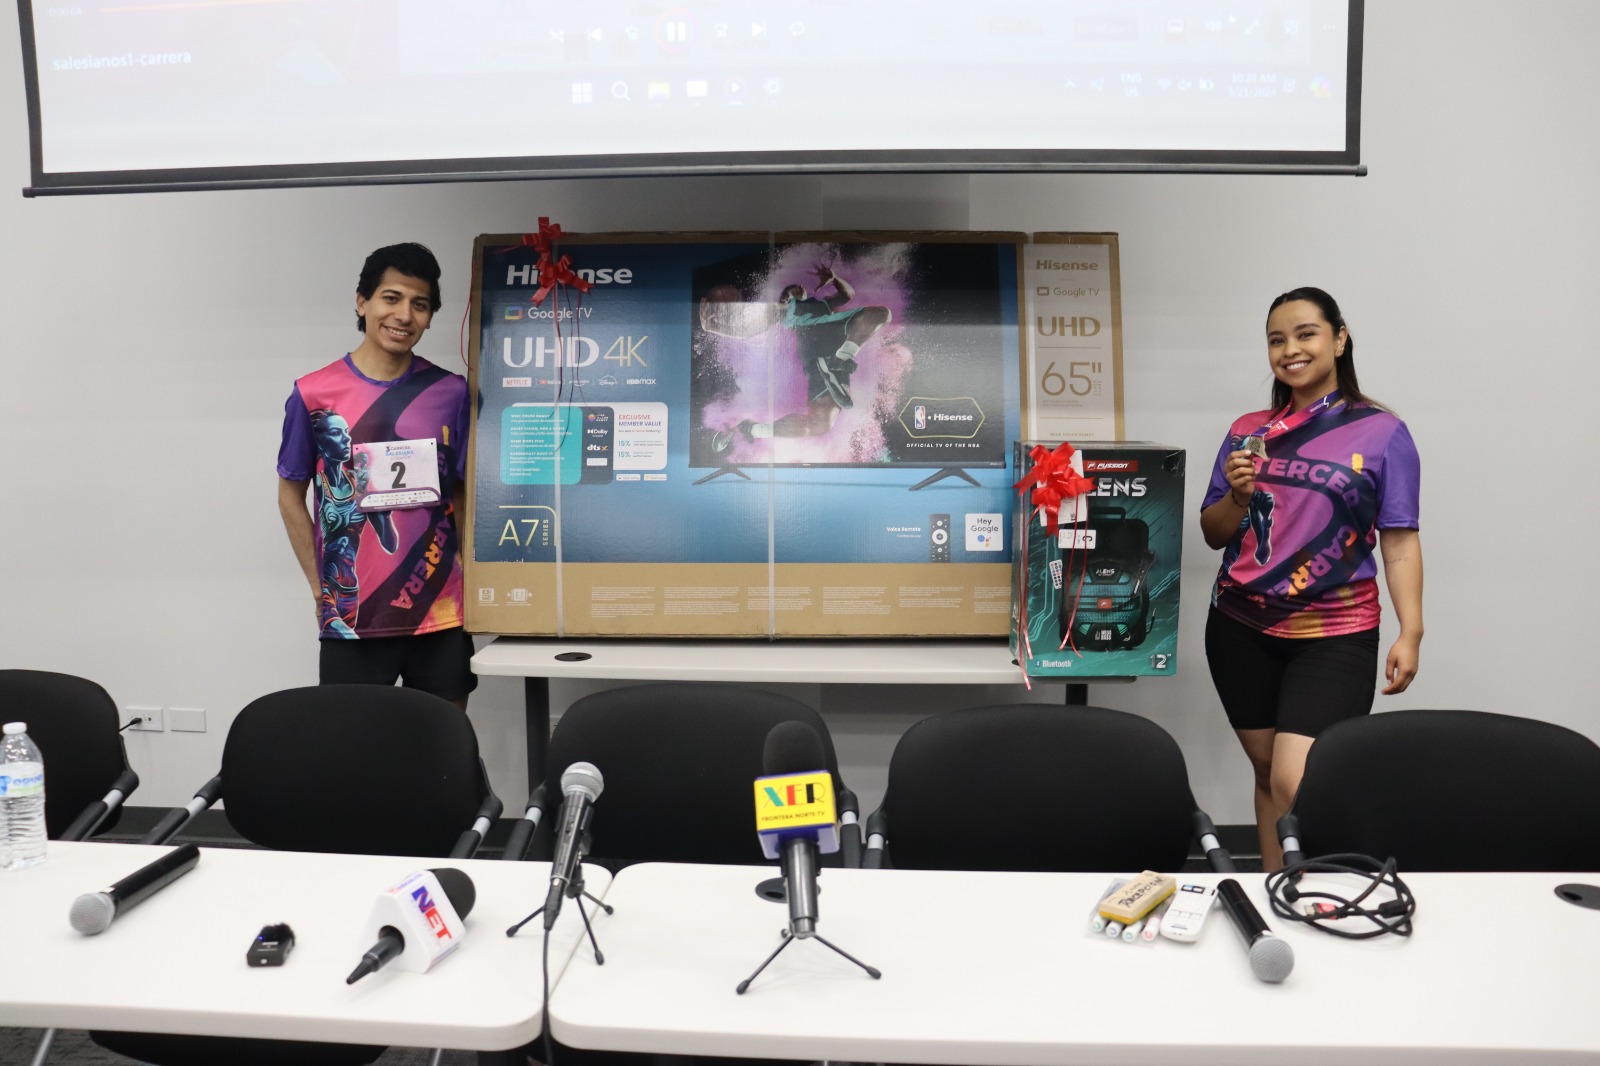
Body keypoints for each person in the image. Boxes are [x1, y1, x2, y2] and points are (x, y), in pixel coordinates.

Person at [1199, 286, 1423, 869]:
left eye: (1306, 334)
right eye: (1277, 340)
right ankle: (1275, 891)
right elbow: (1214, 532)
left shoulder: (1383, 432)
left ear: (1339, 339)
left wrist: (1411, 630)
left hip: (1335, 631)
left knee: (1298, 782)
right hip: (1239, 627)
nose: (1290, 349)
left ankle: (1320, 893)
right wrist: (1238, 496)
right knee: (1267, 773)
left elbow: (1399, 539)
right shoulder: (1248, 431)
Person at [276, 242, 476, 708]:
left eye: (419, 304)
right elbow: (290, 494)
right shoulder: (313, 393)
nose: (404, 315)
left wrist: (471, 575)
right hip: (353, 619)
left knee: (444, 740)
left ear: (430, 317)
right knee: (356, 745)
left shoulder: (451, 392)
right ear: (362, 301)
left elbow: (463, 492)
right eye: (391, 298)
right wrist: (319, 588)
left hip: (440, 613)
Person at [709, 263, 891, 450]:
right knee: (880, 313)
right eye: (792, 289)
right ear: (785, 298)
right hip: (818, 335)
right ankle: (842, 357)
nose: (799, 286)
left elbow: (848, 294)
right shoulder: (782, 310)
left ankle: (754, 430)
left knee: (820, 424)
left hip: (820, 359)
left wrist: (834, 278)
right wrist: (714, 327)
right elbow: (747, 330)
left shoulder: (822, 304)